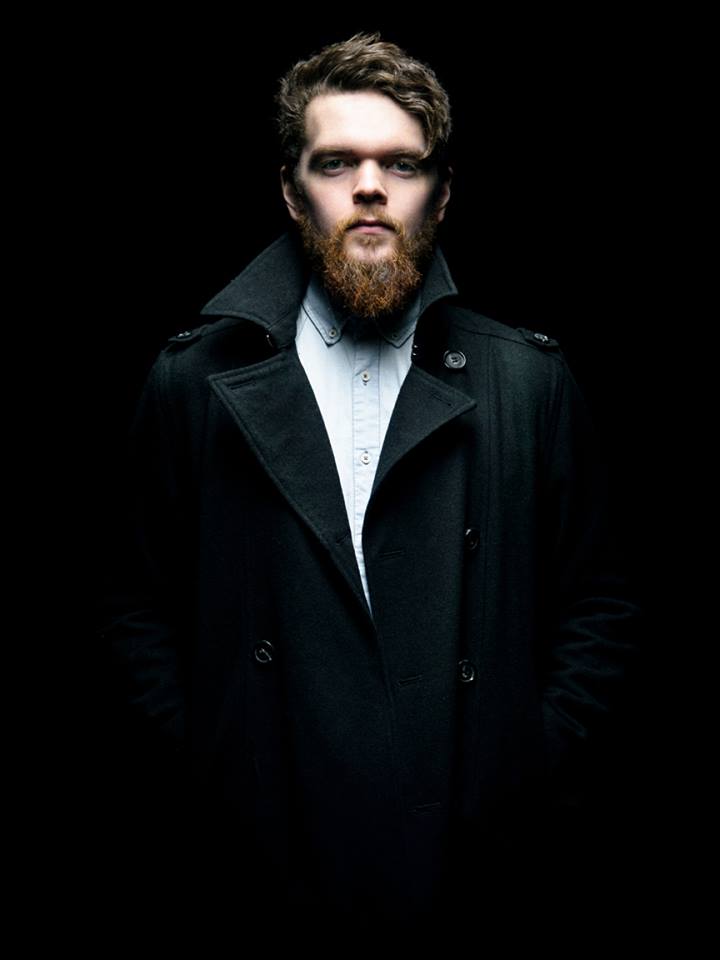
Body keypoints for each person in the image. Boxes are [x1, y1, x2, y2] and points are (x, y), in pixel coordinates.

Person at [103, 32, 640, 927]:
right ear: (291, 190)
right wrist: (221, 763)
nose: (368, 187)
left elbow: (601, 607)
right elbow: (133, 607)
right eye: (335, 161)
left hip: (469, 857)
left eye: (401, 163)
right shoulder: (192, 384)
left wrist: (519, 760)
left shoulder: (527, 384)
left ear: (441, 193)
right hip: (262, 857)